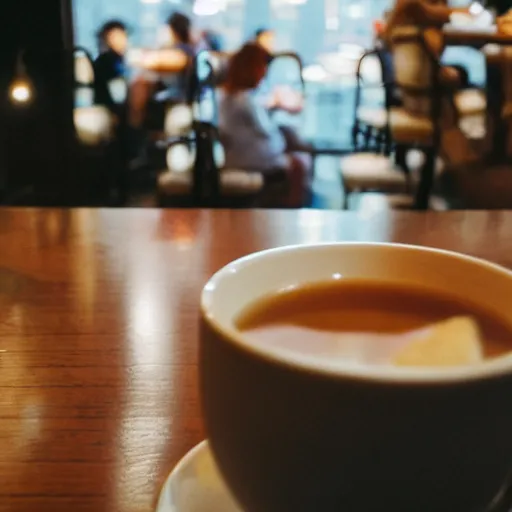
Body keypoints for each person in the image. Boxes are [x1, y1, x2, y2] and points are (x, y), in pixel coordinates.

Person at [219, 43, 311, 207]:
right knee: (300, 163)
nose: (264, 73)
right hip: (251, 160)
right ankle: (290, 211)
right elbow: (266, 131)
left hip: (236, 156)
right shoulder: (245, 100)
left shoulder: (228, 97)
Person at [129, 12, 196, 128]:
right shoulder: (179, 50)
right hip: (171, 102)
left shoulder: (183, 51)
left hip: (180, 103)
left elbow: (155, 61)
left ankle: (135, 128)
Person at [94, 20, 129, 115]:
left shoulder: (118, 60)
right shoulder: (107, 61)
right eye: (119, 37)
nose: (124, 41)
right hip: (110, 109)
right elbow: (118, 95)